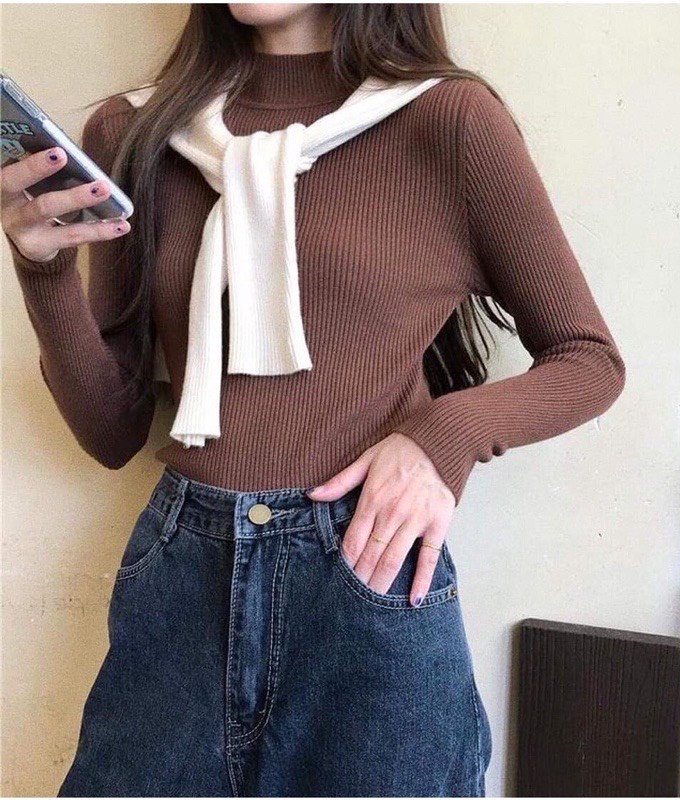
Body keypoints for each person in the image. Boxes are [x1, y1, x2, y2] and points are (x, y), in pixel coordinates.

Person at [1, 3, 626, 797]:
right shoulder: (137, 131)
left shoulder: (449, 120)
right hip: (182, 580)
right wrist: (44, 270)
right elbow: (110, 431)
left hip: (367, 570)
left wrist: (442, 436)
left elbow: (589, 359)